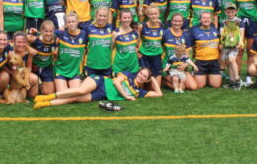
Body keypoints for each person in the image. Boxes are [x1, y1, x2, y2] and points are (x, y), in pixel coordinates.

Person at [33, 67, 162, 110]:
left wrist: (153, 80)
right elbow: (117, 83)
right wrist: (127, 96)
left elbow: (159, 94)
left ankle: (44, 104)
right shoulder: (128, 74)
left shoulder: (140, 92)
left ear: (146, 80)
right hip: (100, 82)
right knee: (80, 90)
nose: (141, 76)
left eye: (144, 76)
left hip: (101, 95)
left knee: (73, 99)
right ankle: (48, 96)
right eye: (141, 73)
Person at [162, 13, 197, 91]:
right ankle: (164, 81)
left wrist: (185, 65)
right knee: (182, 87)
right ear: (171, 21)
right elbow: (160, 50)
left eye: (179, 21)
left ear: (183, 22)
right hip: (169, 67)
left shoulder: (186, 35)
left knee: (193, 87)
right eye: (175, 21)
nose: (177, 23)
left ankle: (182, 76)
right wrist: (165, 67)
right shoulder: (165, 33)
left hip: (181, 67)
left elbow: (187, 54)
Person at [53, 12, 87, 92]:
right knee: (63, 94)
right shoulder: (60, 33)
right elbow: (46, 35)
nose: (71, 24)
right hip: (60, 70)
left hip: (75, 72)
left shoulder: (84, 34)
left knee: (75, 93)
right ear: (65, 24)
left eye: (73, 21)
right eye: (69, 22)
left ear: (77, 22)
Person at [190, 11, 222, 89]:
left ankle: (208, 75)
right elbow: (190, 48)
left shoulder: (215, 31)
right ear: (200, 20)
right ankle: (199, 74)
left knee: (216, 85)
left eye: (208, 18)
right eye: (204, 18)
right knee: (200, 86)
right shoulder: (194, 31)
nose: (206, 20)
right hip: (200, 62)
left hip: (214, 62)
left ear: (211, 20)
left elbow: (220, 46)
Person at [29, 20, 57, 96]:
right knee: (32, 95)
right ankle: (36, 85)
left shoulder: (55, 40)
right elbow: (21, 39)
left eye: (51, 31)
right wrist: (29, 48)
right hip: (34, 67)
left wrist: (57, 51)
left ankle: (41, 86)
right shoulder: (35, 39)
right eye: (46, 31)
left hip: (47, 67)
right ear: (41, 31)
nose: (49, 33)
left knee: (49, 93)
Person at [219, 4, 244, 89]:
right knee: (228, 62)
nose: (230, 14)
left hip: (235, 44)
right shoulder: (223, 21)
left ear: (236, 11)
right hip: (226, 44)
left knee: (231, 59)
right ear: (225, 12)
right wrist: (223, 41)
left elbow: (241, 33)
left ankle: (237, 80)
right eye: (228, 12)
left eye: (232, 12)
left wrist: (240, 42)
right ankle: (232, 81)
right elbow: (222, 32)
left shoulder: (239, 21)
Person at [84, 7, 114, 77]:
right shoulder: (88, 28)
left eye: (104, 16)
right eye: (100, 15)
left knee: (105, 87)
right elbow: (84, 48)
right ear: (96, 15)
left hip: (106, 65)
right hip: (91, 66)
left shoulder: (110, 27)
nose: (102, 18)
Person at [138, 5, 164, 84]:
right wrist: (138, 51)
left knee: (156, 83)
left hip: (156, 55)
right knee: (144, 78)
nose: (154, 16)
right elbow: (137, 40)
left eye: (156, 14)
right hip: (145, 55)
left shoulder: (161, 25)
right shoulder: (142, 26)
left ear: (159, 14)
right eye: (151, 14)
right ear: (148, 15)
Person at [9, 32, 39, 99]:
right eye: (19, 42)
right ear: (14, 42)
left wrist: (25, 76)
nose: (21, 45)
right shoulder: (11, 53)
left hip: (23, 72)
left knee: (33, 94)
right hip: (12, 74)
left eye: (24, 42)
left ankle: (25, 90)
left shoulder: (28, 52)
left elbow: (29, 67)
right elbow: (12, 69)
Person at [112, 10, 140, 74]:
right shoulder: (115, 32)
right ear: (120, 19)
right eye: (124, 18)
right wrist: (114, 39)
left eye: (129, 17)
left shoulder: (135, 32)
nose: (127, 20)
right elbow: (110, 48)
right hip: (119, 66)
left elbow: (136, 46)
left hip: (133, 67)